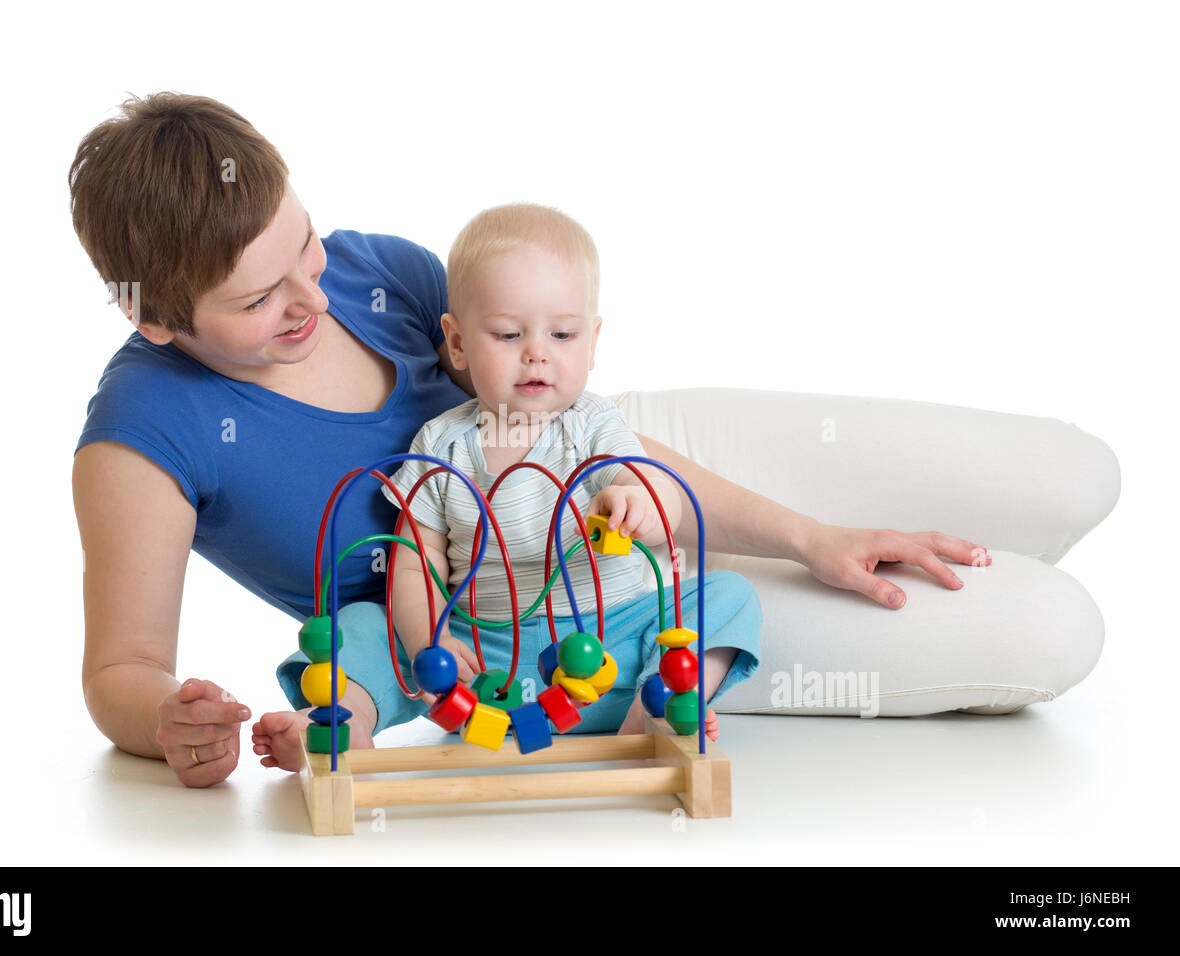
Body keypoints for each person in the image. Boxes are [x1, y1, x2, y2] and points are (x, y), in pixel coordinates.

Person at [71, 93, 989, 788]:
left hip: (625, 468)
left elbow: (568, 419)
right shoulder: (142, 437)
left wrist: (811, 537)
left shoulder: (382, 272)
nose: (315, 297)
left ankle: (888, 524)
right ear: (154, 318)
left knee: (1049, 484)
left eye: (303, 245)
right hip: (493, 641)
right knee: (1039, 634)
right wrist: (170, 718)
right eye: (258, 300)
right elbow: (120, 670)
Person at [257, 204, 760, 764]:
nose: (537, 352)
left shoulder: (593, 425)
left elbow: (657, 493)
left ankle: (657, 709)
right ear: (458, 343)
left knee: (728, 597)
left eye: (563, 334)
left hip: (611, 648)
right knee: (361, 625)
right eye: (508, 333)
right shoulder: (440, 444)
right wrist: (431, 643)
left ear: (593, 342)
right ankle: (342, 720)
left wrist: (637, 500)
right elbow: (416, 560)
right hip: (483, 660)